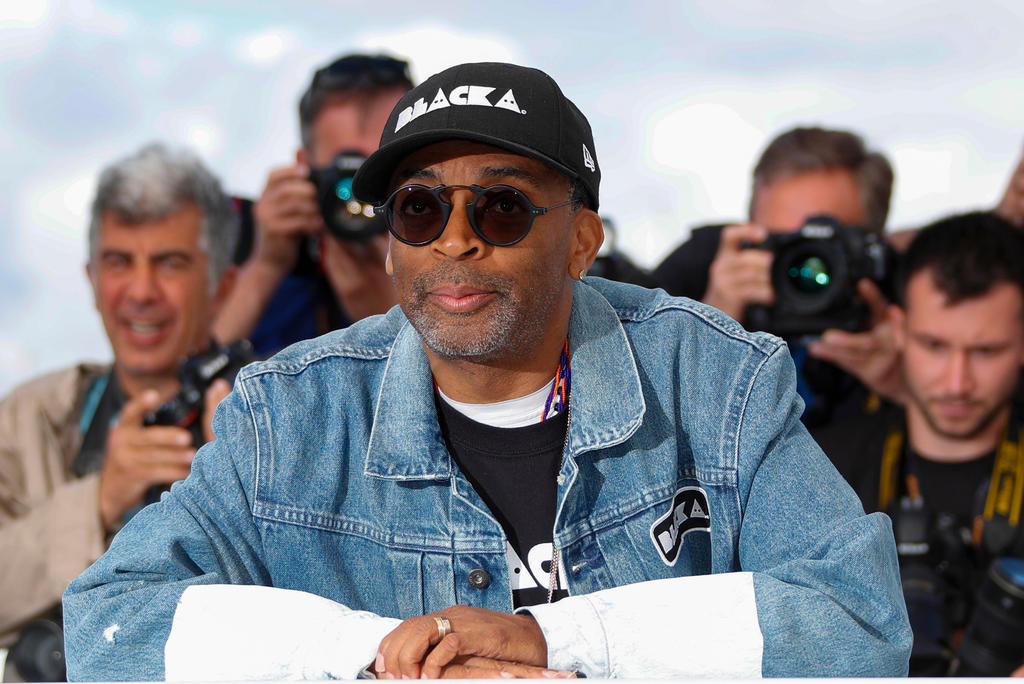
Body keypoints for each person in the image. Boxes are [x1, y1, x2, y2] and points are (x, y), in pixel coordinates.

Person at [64, 62, 910, 680]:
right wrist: (381, 653)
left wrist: (554, 641)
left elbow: (859, 621)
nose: (456, 240)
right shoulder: (288, 418)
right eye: (419, 208)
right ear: (391, 245)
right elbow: (108, 625)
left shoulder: (714, 380)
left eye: (502, 207)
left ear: (582, 241)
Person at [0, 143, 238, 678]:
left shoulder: (284, 411)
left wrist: (238, 475)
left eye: (170, 263)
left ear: (223, 285)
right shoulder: (29, 418)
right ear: (90, 280)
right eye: (119, 262)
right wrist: (100, 500)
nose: (141, 292)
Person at [815, 211, 1024, 675]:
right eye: (934, 345)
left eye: (986, 351)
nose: (957, 382)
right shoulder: (816, 466)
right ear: (899, 328)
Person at [652, 126, 902, 423]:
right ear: (750, 232)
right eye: (784, 244)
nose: (805, 266)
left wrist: (907, 383)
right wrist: (708, 326)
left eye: (826, 245)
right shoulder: (696, 273)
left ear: (874, 245)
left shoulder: (910, 297)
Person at [213, 53, 413, 357]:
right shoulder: (241, 238)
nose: (366, 198)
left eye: (386, 170)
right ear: (303, 169)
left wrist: (392, 311)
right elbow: (186, 375)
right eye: (349, 177)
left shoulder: (452, 237)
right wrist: (265, 267)